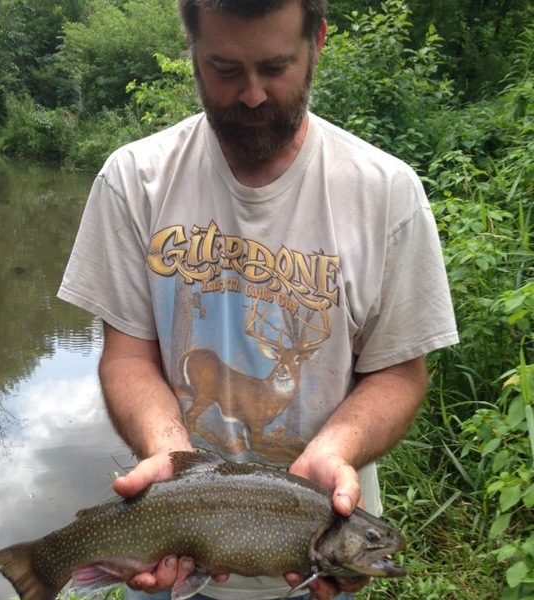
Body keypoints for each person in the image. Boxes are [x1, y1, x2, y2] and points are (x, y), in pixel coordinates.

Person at [58, 0, 459, 598]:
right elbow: (127, 358)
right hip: (172, 546)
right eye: (224, 68)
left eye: (275, 67)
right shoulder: (132, 180)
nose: (251, 95)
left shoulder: (387, 194)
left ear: (316, 43)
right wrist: (172, 461)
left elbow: (400, 374)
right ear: (192, 48)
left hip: (322, 554)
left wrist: (336, 449)